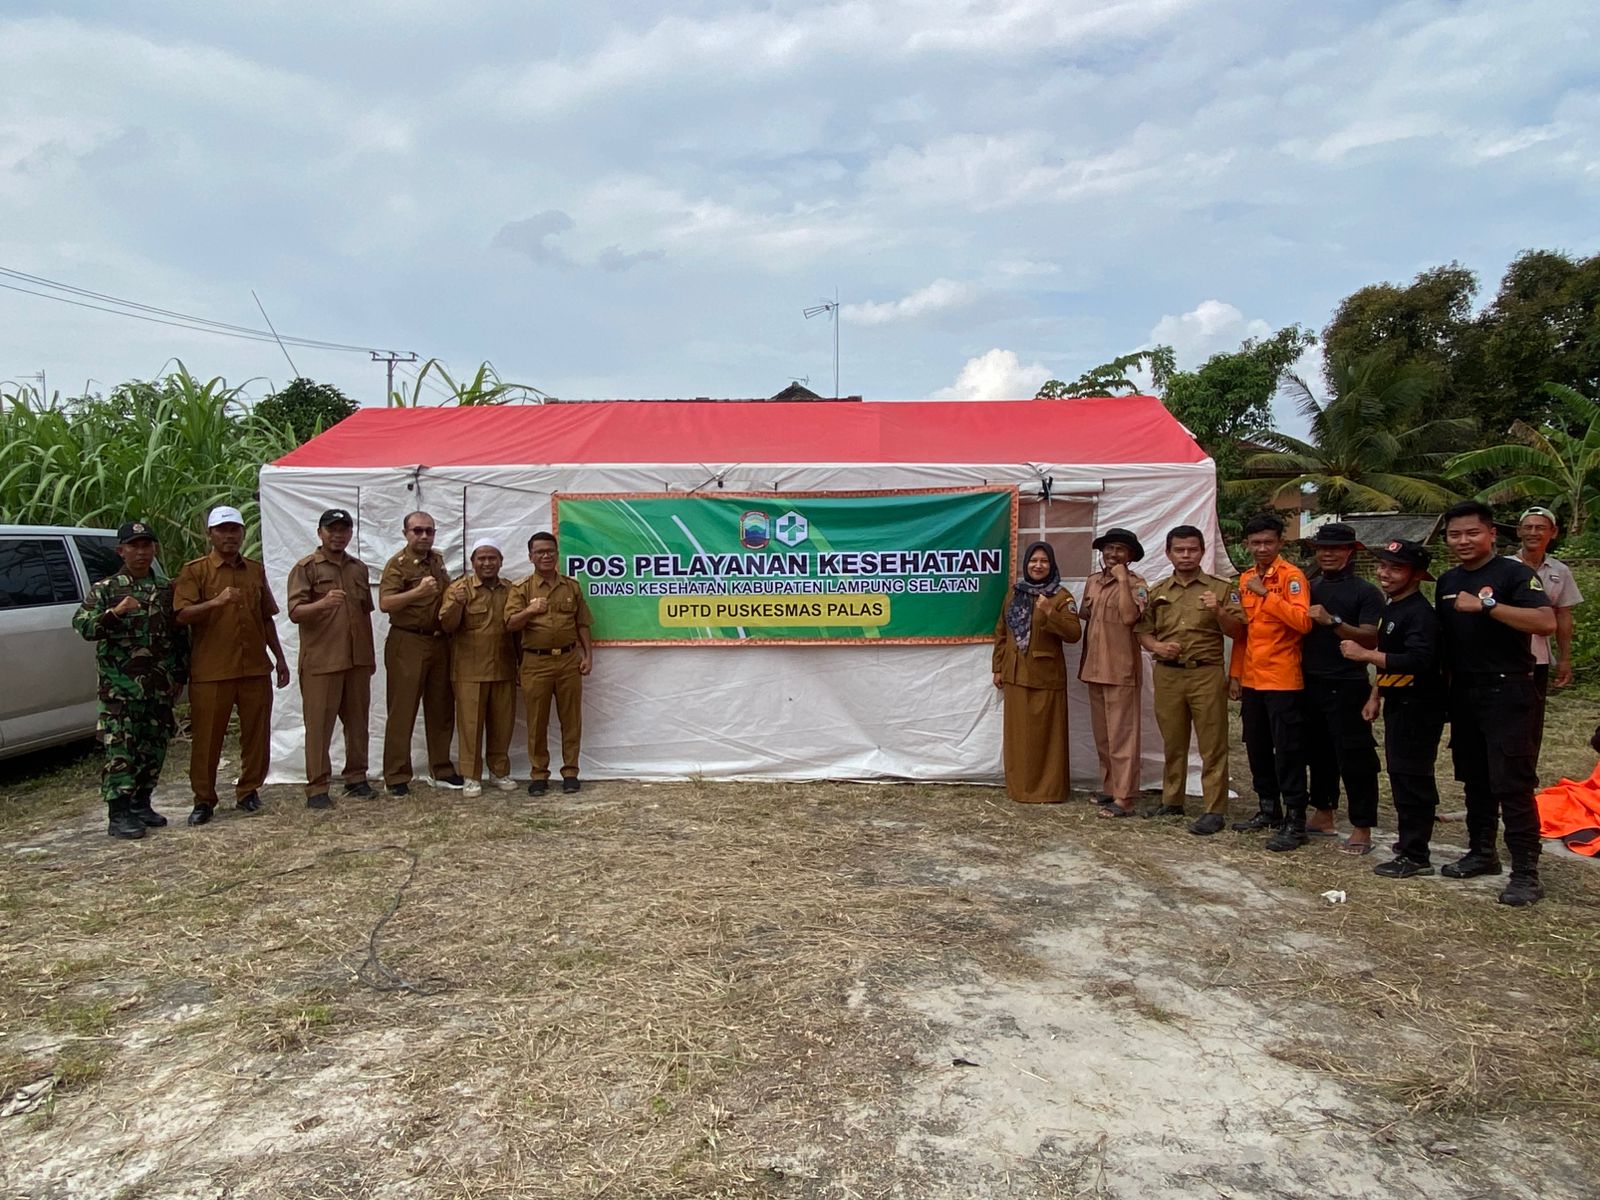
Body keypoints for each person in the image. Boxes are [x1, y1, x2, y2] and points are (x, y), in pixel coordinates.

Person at [1434, 500, 1555, 906]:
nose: (1463, 541)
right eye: (1455, 534)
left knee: (1513, 782)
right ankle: (1481, 852)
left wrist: (1487, 605)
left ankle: (1525, 872)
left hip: (1508, 690)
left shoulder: (1514, 573)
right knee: (1475, 778)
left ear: (1491, 534)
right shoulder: (1447, 579)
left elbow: (1545, 622)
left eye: (1472, 533)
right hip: (1465, 690)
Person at [72, 520, 190, 840]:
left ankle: (141, 802)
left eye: (147, 546)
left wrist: (180, 673)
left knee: (153, 748)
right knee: (121, 750)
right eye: (134, 547)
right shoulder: (107, 589)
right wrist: (116, 612)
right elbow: (84, 627)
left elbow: (178, 634)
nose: (141, 553)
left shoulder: (166, 589)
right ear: (121, 551)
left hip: (158, 685)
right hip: (119, 688)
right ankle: (118, 812)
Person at [174, 505, 291, 826]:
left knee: (256, 733)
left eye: (235, 529)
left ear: (241, 533)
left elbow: (265, 617)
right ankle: (204, 799)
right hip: (213, 670)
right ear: (210, 534)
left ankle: (249, 789)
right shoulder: (195, 571)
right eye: (222, 530)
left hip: (254, 666)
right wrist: (216, 602)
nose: (229, 536)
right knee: (208, 737)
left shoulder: (254, 570)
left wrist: (279, 658)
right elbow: (181, 615)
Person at [1338, 539, 1444, 878]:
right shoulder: (1393, 606)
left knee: (1413, 777)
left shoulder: (1420, 613)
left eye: (1395, 568)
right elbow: (1390, 657)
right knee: (1399, 774)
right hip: (1398, 700)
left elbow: (1418, 661)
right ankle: (1408, 841)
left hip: (1421, 704)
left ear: (1416, 575)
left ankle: (1416, 854)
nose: (1385, 574)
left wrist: (1364, 655)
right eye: (1383, 566)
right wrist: (1376, 694)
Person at [1136, 525, 1245, 835]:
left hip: (1205, 673)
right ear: (1169, 553)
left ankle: (1215, 808)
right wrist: (1157, 647)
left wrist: (1219, 611)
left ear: (1202, 551)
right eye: (1179, 550)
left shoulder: (1220, 588)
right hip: (1168, 674)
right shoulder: (1158, 591)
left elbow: (1238, 632)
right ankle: (1172, 800)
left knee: (1212, 743)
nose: (1186, 555)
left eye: (1192, 549)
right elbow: (1142, 630)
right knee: (1173, 740)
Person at [1228, 513, 1314, 850]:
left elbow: (1303, 623)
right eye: (1255, 543)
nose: (1261, 548)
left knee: (1288, 751)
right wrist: (1235, 675)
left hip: (1283, 679)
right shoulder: (1246, 577)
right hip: (1252, 678)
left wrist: (1266, 594)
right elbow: (1242, 635)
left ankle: (1296, 820)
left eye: (1268, 542)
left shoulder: (1291, 577)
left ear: (1280, 543)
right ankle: (1268, 808)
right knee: (1257, 746)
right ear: (1246, 545)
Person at [1298, 524, 1384, 854]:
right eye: (1322, 548)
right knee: (1318, 752)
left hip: (1348, 684)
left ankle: (1362, 825)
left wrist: (1333, 622)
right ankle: (1323, 812)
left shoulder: (1366, 592)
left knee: (1355, 756)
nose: (1328, 554)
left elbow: (1371, 638)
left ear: (1351, 552)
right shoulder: (1309, 586)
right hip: (1309, 681)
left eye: (1336, 548)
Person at [286, 508, 377, 810]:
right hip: (322, 661)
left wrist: (368, 658)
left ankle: (356, 777)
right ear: (320, 532)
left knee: (358, 724)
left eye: (343, 529)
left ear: (351, 533)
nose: (338, 535)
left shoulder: (359, 568)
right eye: (332, 529)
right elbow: (295, 612)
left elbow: (365, 614)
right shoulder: (306, 568)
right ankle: (318, 786)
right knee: (319, 726)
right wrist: (323, 604)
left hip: (356, 659)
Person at [377, 510, 464, 797]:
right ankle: (396, 775)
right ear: (406, 533)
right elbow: (386, 603)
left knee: (441, 708)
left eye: (429, 531)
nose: (424, 536)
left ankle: (440, 768)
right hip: (408, 641)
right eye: (418, 531)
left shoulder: (436, 560)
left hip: (439, 641)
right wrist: (416, 593)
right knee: (403, 709)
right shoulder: (397, 565)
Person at [992, 541, 1082, 804]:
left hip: (1046, 676)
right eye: (1033, 561)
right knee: (1018, 737)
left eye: (1044, 561)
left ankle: (1049, 791)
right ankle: (1019, 789)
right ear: (1026, 564)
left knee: (1048, 738)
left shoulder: (1061, 596)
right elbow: (1001, 632)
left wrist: (1050, 612)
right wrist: (998, 666)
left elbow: (1074, 634)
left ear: (1052, 564)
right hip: (1015, 673)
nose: (1038, 565)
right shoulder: (1014, 593)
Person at [506, 531, 594, 795]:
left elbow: (582, 623)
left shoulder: (571, 586)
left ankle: (570, 772)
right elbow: (509, 624)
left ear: (557, 554)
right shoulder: (521, 588)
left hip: (568, 661)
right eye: (540, 552)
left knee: (571, 720)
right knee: (536, 721)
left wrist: (588, 656)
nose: (546, 556)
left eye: (550, 551)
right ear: (530, 556)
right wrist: (530, 610)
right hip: (535, 662)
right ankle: (539, 775)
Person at [438, 538, 519, 799]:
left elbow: (516, 629)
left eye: (492, 558)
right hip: (469, 671)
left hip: (503, 667)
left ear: (500, 562)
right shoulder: (459, 589)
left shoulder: (510, 589)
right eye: (481, 558)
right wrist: (457, 604)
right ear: (472, 562)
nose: (487, 563)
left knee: (502, 724)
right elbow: (447, 626)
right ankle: (471, 776)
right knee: (471, 725)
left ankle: (498, 771)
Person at [1078, 528, 1150, 817]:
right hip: (1094, 667)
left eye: (1120, 549)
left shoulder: (1137, 583)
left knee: (1123, 736)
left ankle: (1125, 796)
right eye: (1109, 548)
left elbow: (1130, 616)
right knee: (1104, 736)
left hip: (1121, 669)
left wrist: (1121, 581)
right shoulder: (1092, 582)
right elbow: (1085, 615)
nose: (1113, 554)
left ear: (1130, 556)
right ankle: (1110, 788)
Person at [1510, 505, 1583, 755]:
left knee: (1532, 720)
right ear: (1519, 531)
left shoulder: (1559, 571)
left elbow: (1563, 615)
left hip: (1538, 657)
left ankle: (1526, 775)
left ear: (1553, 533)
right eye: (1528, 527)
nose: (1533, 532)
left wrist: (1564, 659)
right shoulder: (1502, 567)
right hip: (1503, 657)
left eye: (1540, 528)